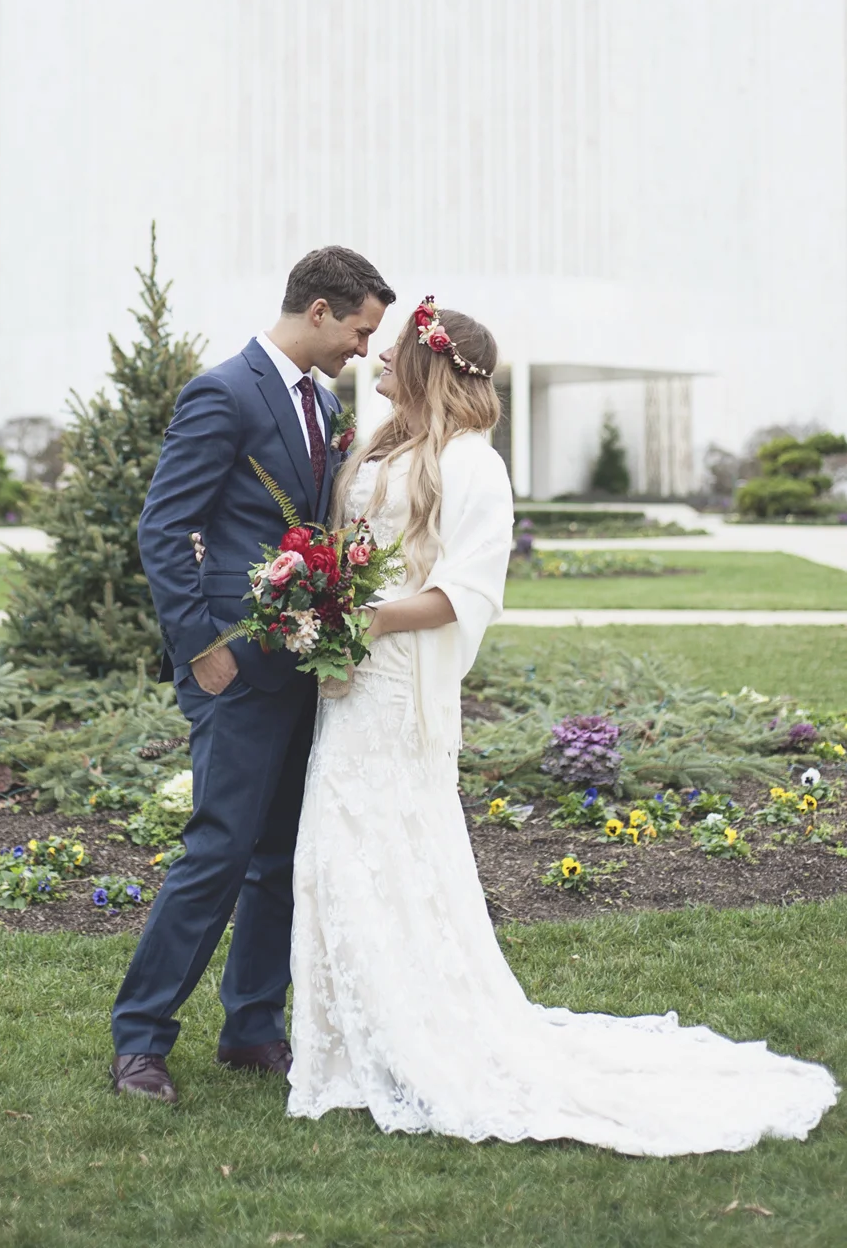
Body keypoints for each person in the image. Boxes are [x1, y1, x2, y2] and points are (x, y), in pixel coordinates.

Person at [287, 295, 839, 1154]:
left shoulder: (473, 465)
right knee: (336, 851)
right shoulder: (377, 442)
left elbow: (468, 592)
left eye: (397, 350)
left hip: (396, 691)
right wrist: (319, 598)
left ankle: (414, 1039)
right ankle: (354, 1040)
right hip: (349, 688)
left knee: (391, 853)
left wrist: (367, 620)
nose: (379, 359)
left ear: (433, 365)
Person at [110, 246, 395, 1102]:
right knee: (218, 851)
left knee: (277, 857)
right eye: (357, 329)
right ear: (316, 310)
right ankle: (142, 1038)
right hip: (233, 669)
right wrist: (204, 648)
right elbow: (165, 528)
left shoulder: (325, 402)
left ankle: (253, 1028)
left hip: (306, 666)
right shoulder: (223, 392)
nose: (361, 349)